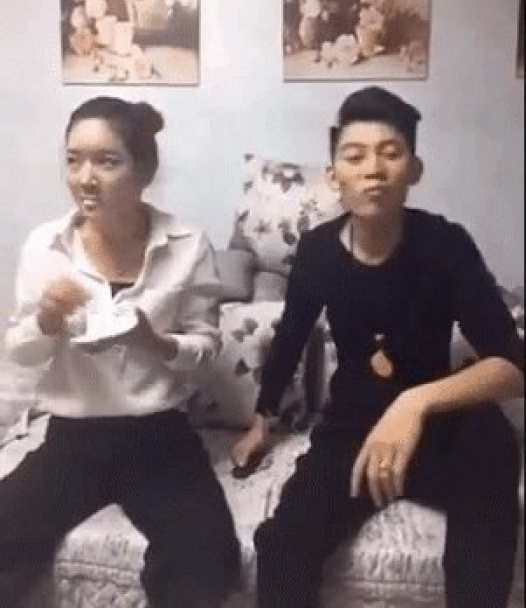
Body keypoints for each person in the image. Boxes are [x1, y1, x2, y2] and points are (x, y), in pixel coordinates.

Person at [232, 86, 524, 608]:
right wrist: (262, 421)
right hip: (352, 428)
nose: (373, 170)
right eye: (355, 156)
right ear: (334, 175)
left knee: (492, 444)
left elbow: (512, 365)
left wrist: (415, 403)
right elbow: (290, 339)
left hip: (443, 424)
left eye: (391, 153)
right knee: (282, 547)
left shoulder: (446, 243)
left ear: (415, 170)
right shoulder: (317, 252)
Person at [1, 96, 240, 608]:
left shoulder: (186, 243)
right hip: (73, 439)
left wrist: (154, 341)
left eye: (107, 162)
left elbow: (206, 351)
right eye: (73, 160)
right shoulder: (46, 245)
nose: (86, 178)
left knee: (206, 554)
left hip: (158, 438)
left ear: (143, 171)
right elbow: (19, 352)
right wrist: (45, 321)